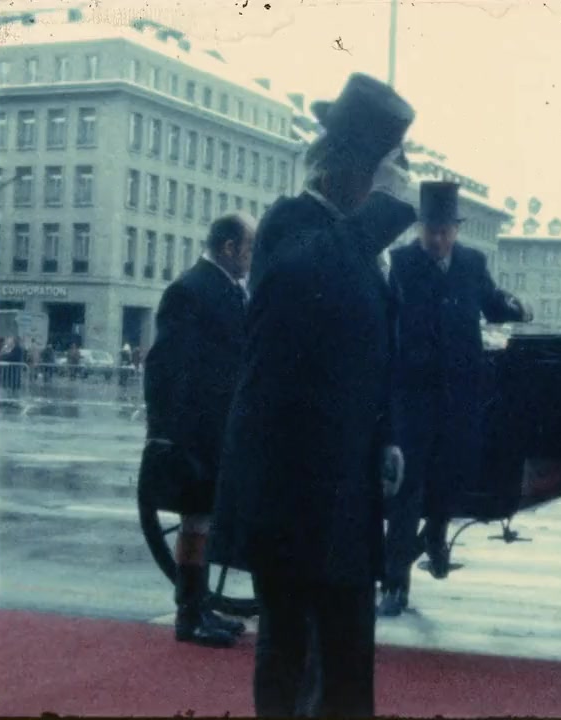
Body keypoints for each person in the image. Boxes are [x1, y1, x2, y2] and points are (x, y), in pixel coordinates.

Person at [208, 73, 415, 718]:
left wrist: (388, 436)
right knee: (290, 647)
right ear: (349, 169)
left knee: (350, 648)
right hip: (289, 480)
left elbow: (371, 349)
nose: (397, 181)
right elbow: (306, 282)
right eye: (389, 168)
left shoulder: (351, 240)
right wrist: (384, 212)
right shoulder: (289, 222)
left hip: (344, 479)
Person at [378, 181, 533, 618]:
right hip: (413, 393)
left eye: (445, 231)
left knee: (452, 475)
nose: (438, 239)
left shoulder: (471, 262)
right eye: (431, 230)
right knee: (408, 489)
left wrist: (517, 307)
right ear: (420, 228)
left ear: (456, 230)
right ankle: (395, 584)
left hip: (461, 392)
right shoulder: (400, 263)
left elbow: (490, 302)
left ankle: (435, 534)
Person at [141, 212, 256, 648]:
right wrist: (166, 431)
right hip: (197, 429)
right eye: (248, 248)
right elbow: (165, 366)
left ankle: (200, 606)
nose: (252, 258)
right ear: (229, 247)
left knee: (203, 519)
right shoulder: (190, 290)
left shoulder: (224, 288)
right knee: (196, 520)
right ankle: (189, 614)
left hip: (218, 426)